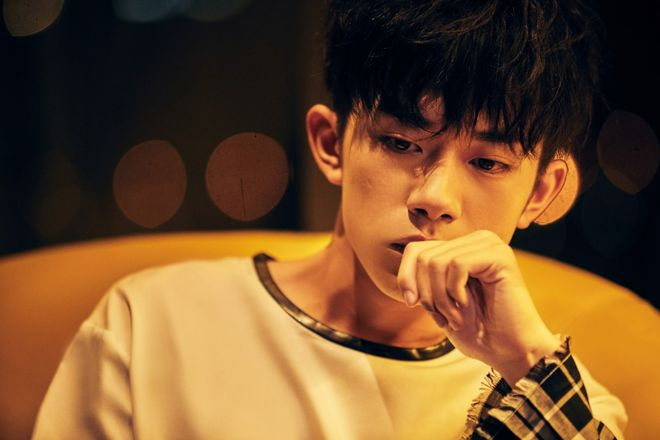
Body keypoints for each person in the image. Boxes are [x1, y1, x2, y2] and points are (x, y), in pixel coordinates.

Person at [32, 0, 627, 438]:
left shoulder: (563, 405)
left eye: (488, 163)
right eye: (400, 143)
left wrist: (525, 362)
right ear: (330, 143)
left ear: (541, 192)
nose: (435, 196)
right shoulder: (151, 324)